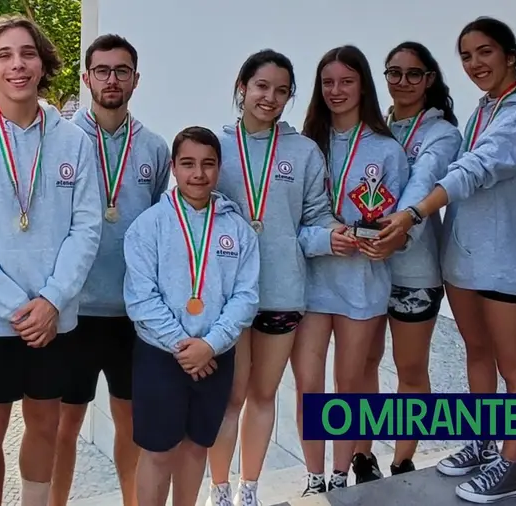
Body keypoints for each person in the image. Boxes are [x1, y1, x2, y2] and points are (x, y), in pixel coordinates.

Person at [376, 17, 516, 504]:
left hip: (504, 261)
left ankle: (512, 464)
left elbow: (476, 168)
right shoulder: (483, 109)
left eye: (485, 52)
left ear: (510, 55)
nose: (475, 64)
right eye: (466, 55)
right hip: (463, 257)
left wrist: (416, 210)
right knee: (477, 354)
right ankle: (482, 443)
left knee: (515, 364)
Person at [0, 14, 102, 506]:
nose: (17, 65)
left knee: (45, 424)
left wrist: (51, 300)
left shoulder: (74, 140)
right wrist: (19, 306)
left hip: (56, 317)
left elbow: (86, 227)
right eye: (4, 56)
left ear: (42, 64)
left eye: (27, 53)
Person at [205, 49, 338, 506]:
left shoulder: (303, 152)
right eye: (262, 87)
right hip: (229, 298)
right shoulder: (215, 148)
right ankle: (218, 488)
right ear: (242, 87)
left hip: (282, 292)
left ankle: (249, 488)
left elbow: (315, 218)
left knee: (264, 395)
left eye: (282, 91)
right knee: (230, 397)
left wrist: (335, 237)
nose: (270, 98)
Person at [51, 34, 170, 506]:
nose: (112, 80)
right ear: (86, 78)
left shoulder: (155, 148)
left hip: (131, 314)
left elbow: (164, 227)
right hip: (72, 311)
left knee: (132, 425)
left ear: (136, 80)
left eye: (122, 71)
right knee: (62, 427)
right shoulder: (59, 141)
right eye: (102, 70)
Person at [294, 45, 409, 495]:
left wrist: (385, 239)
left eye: (346, 81)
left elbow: (401, 224)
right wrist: (325, 238)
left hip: (362, 285)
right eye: (328, 82)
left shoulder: (386, 151)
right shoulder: (304, 148)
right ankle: (313, 477)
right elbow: (290, 225)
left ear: (364, 84)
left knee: (350, 386)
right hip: (310, 283)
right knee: (309, 386)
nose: (336, 91)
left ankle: (341, 477)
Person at [124, 126, 259, 506]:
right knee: (158, 452)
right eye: (188, 164)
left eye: (207, 164)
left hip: (216, 357)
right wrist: (185, 348)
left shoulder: (237, 229)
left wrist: (211, 345)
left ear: (219, 168)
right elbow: (142, 298)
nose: (198, 174)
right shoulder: (148, 227)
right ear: (173, 168)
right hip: (160, 357)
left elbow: (245, 297)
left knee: (197, 447)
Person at [350, 41, 463, 483]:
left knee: (410, 370)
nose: (402, 82)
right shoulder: (373, 127)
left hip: (414, 270)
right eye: (393, 73)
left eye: (413, 74)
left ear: (430, 79)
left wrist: (400, 232)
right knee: (362, 366)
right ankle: (362, 457)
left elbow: (423, 179)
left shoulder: (442, 133)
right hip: (365, 265)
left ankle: (402, 460)